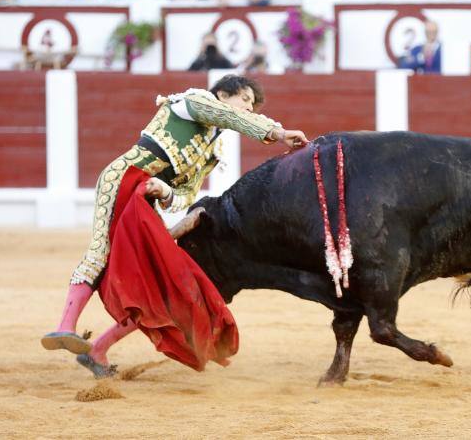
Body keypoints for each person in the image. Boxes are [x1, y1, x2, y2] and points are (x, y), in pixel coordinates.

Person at [41, 76, 309, 377]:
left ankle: (98, 351)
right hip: (124, 176)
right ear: (222, 93)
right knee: (100, 252)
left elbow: (186, 194)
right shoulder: (191, 102)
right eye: (245, 99)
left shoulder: (211, 150)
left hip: (145, 199)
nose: (248, 107)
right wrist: (278, 132)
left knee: (155, 281)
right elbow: (228, 116)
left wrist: (165, 191)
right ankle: (65, 327)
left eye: (252, 104)